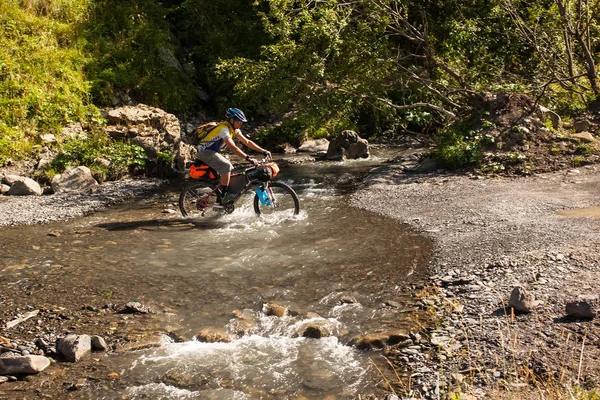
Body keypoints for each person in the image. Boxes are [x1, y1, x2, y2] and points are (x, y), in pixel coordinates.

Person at [196, 107, 271, 204]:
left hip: (212, 151)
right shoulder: (223, 129)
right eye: (239, 121)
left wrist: (263, 151)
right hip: (205, 151)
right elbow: (233, 147)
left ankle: (220, 196)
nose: (241, 124)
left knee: (230, 169)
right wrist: (248, 158)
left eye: (242, 122)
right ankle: (224, 196)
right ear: (232, 120)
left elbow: (247, 142)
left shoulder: (234, 129)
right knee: (226, 166)